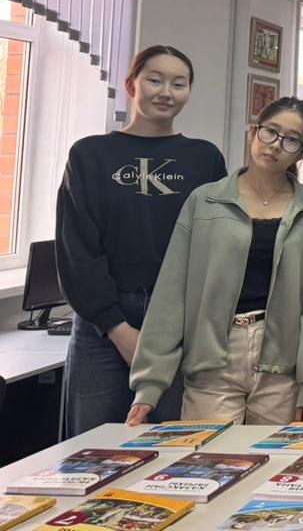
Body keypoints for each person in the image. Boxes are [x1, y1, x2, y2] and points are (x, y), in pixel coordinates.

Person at [55, 45, 226, 436]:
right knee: (92, 447)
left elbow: (215, 244)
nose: (166, 92)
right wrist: (117, 329)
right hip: (103, 322)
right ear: (131, 85)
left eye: (178, 84)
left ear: (188, 92)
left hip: (178, 319)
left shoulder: (205, 159)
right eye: (155, 80)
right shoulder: (89, 155)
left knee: (170, 444)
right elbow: (76, 250)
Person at [125, 98, 303, 425]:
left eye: (291, 140)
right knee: (208, 454)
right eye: (270, 132)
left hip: (281, 359)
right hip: (213, 357)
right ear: (252, 132)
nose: (276, 145)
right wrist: (149, 383)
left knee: (273, 456)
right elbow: (172, 290)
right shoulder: (205, 200)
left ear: (301, 153)